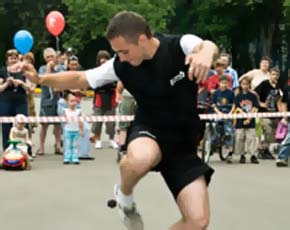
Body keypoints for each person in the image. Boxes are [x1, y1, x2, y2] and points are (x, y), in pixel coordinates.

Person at [22, 10, 218, 230]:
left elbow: (207, 46)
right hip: (150, 130)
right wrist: (41, 79)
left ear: (142, 39)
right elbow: (80, 77)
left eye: (124, 51)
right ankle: (125, 198)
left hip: (183, 145)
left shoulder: (178, 46)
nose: (121, 57)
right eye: (117, 52)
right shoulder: (120, 65)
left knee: (198, 221)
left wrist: (206, 53)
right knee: (141, 158)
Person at [0, 49, 31, 151]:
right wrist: (6, 83)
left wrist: (21, 83)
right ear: (7, 60)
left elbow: (30, 88)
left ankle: (27, 150)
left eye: (15, 58)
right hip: (6, 101)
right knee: (6, 126)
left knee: (23, 124)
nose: (13, 60)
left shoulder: (24, 72)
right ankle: (7, 149)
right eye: (11, 58)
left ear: (18, 59)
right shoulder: (3, 71)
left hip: (20, 101)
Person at [37, 47, 65, 155]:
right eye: (47, 57)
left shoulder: (61, 68)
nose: (50, 59)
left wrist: (55, 69)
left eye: (51, 56)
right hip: (46, 100)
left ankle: (58, 146)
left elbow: (62, 79)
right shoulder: (42, 68)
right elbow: (44, 80)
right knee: (44, 125)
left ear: (56, 57)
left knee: (58, 125)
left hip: (58, 100)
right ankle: (41, 147)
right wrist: (49, 68)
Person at [90, 50, 118, 149]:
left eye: (106, 60)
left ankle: (112, 139)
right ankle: (98, 139)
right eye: (102, 61)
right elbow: (94, 85)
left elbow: (116, 84)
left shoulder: (113, 71)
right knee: (97, 121)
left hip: (111, 97)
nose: (104, 63)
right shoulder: (95, 71)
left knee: (111, 122)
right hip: (99, 98)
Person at [255, 67, 283, 159]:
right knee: (268, 129)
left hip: (274, 112)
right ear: (270, 75)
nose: (275, 76)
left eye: (277, 75)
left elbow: (279, 99)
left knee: (273, 134)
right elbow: (254, 93)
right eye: (273, 74)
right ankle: (262, 150)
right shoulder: (264, 84)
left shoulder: (278, 86)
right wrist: (260, 104)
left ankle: (265, 150)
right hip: (264, 113)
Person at [234, 77, 260, 164]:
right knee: (240, 137)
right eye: (243, 84)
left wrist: (249, 118)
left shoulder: (252, 96)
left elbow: (255, 107)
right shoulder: (238, 96)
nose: (245, 86)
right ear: (241, 85)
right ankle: (242, 155)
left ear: (249, 85)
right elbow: (237, 108)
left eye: (247, 84)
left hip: (250, 120)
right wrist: (243, 117)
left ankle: (253, 155)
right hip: (240, 121)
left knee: (251, 138)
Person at [62, 91, 83, 164]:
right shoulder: (65, 111)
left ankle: (75, 157)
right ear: (67, 102)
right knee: (67, 145)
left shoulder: (78, 111)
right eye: (71, 101)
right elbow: (63, 121)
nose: (74, 103)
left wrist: (81, 130)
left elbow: (81, 122)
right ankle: (67, 157)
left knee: (75, 145)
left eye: (75, 101)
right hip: (68, 130)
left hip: (76, 130)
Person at [276, 72, 290, 167]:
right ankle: (282, 157)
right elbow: (284, 103)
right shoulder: (287, 88)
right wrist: (284, 117)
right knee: (289, 138)